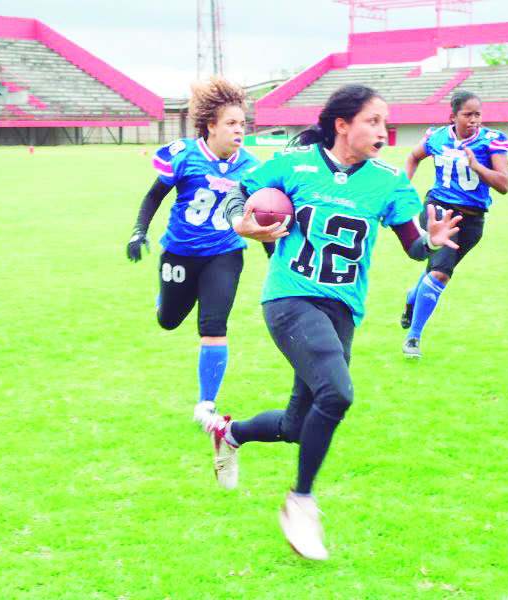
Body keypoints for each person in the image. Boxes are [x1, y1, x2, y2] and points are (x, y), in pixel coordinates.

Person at [206, 84, 461, 560]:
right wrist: (242, 221)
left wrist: (433, 240)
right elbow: (239, 191)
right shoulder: (295, 163)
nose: (384, 132)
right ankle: (300, 501)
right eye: (373, 121)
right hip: (290, 298)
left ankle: (231, 432)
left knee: (300, 425)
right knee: (337, 393)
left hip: (342, 309)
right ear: (342, 125)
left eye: (386, 122)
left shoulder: (389, 182)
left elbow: (412, 245)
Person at [125, 76, 263, 429]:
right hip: (180, 253)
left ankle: (207, 404)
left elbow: (261, 213)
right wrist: (139, 231)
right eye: (231, 123)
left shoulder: (250, 165)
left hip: (225, 251)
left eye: (242, 123)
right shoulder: (184, 155)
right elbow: (155, 196)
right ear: (211, 126)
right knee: (168, 320)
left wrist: (274, 255)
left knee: (214, 324)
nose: (239, 130)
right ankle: (165, 299)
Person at [399, 90, 508, 359]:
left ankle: (414, 296)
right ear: (453, 116)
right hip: (438, 211)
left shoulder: (490, 141)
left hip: (471, 220)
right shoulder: (437, 137)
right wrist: (402, 187)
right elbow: (414, 156)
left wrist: (478, 166)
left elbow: (504, 185)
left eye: (478, 114)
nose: (474, 120)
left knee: (435, 273)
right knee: (441, 273)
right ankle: (413, 337)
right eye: (468, 114)